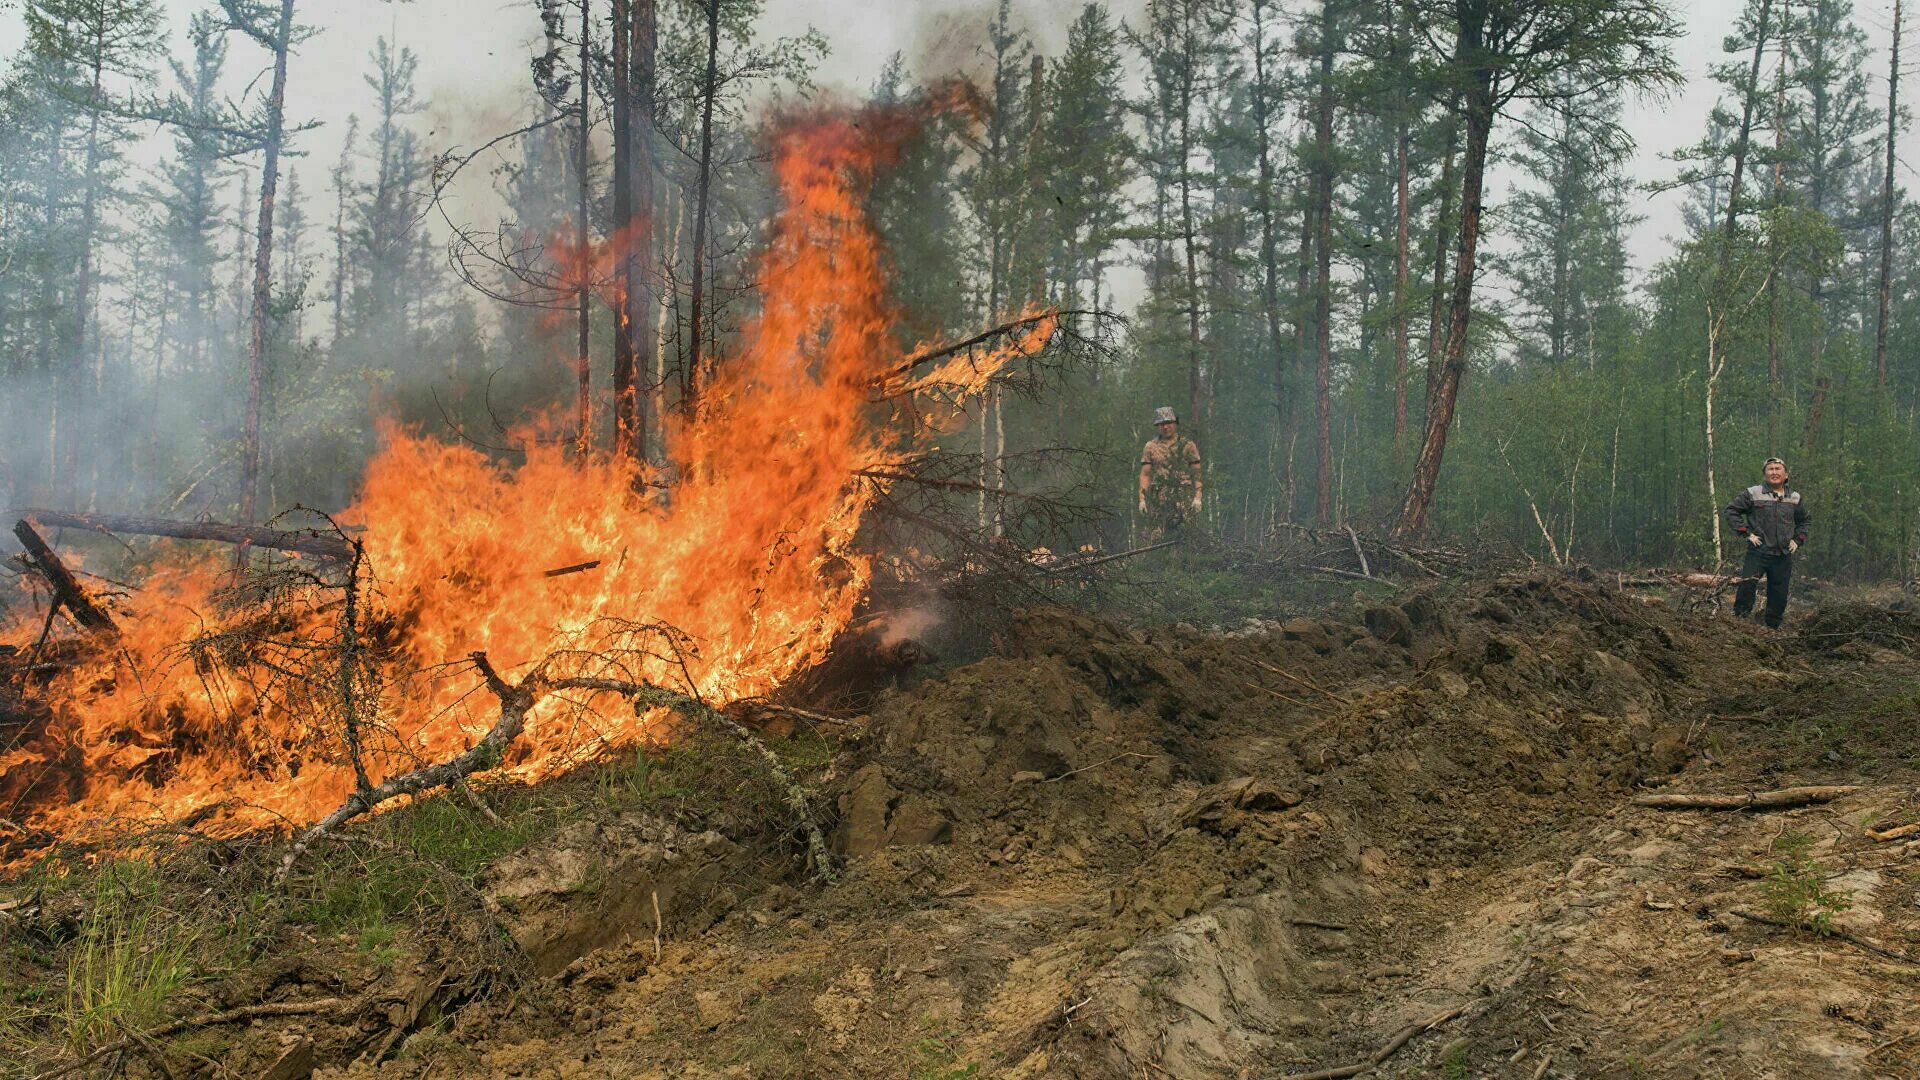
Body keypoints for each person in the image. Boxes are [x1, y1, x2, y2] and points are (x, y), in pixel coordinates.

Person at [1723, 457, 1810, 628]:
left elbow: (1805, 521)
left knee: (1779, 594)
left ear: (1786, 475)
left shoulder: (1794, 497)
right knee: (1747, 586)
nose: (1774, 472)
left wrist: (1797, 540)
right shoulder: (1753, 493)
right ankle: (1739, 624)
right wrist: (1746, 533)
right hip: (1758, 552)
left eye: (1778, 469)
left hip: (1783, 555)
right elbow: (1731, 510)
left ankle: (1772, 629)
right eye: (1770, 469)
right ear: (1765, 474)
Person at [1138, 406, 1202, 539]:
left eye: (1168, 423)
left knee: (1186, 536)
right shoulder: (1151, 446)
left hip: (1183, 498)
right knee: (1157, 537)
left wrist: (1197, 497)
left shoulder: (1187, 445)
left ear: (1175, 423)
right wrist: (1142, 499)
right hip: (1159, 500)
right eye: (1161, 424)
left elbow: (1196, 472)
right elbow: (1145, 474)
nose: (1165, 427)